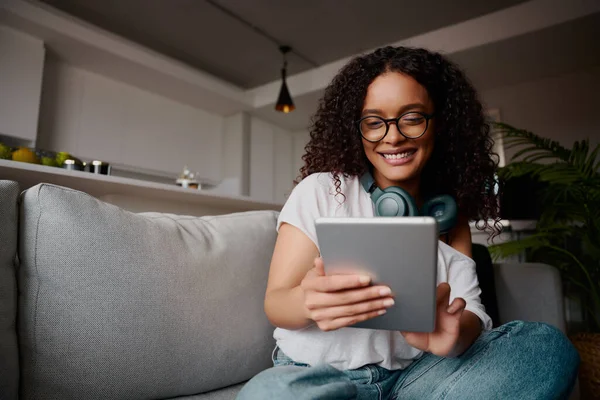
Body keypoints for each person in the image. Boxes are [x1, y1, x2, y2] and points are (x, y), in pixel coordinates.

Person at [237, 46, 579, 400]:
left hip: (415, 377)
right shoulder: (321, 191)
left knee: (545, 347)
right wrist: (307, 302)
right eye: (374, 122)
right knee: (272, 392)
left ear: (440, 123)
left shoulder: (449, 216)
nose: (393, 136)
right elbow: (276, 303)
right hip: (320, 377)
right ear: (357, 130)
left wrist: (454, 333)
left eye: (412, 117)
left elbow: (471, 308)